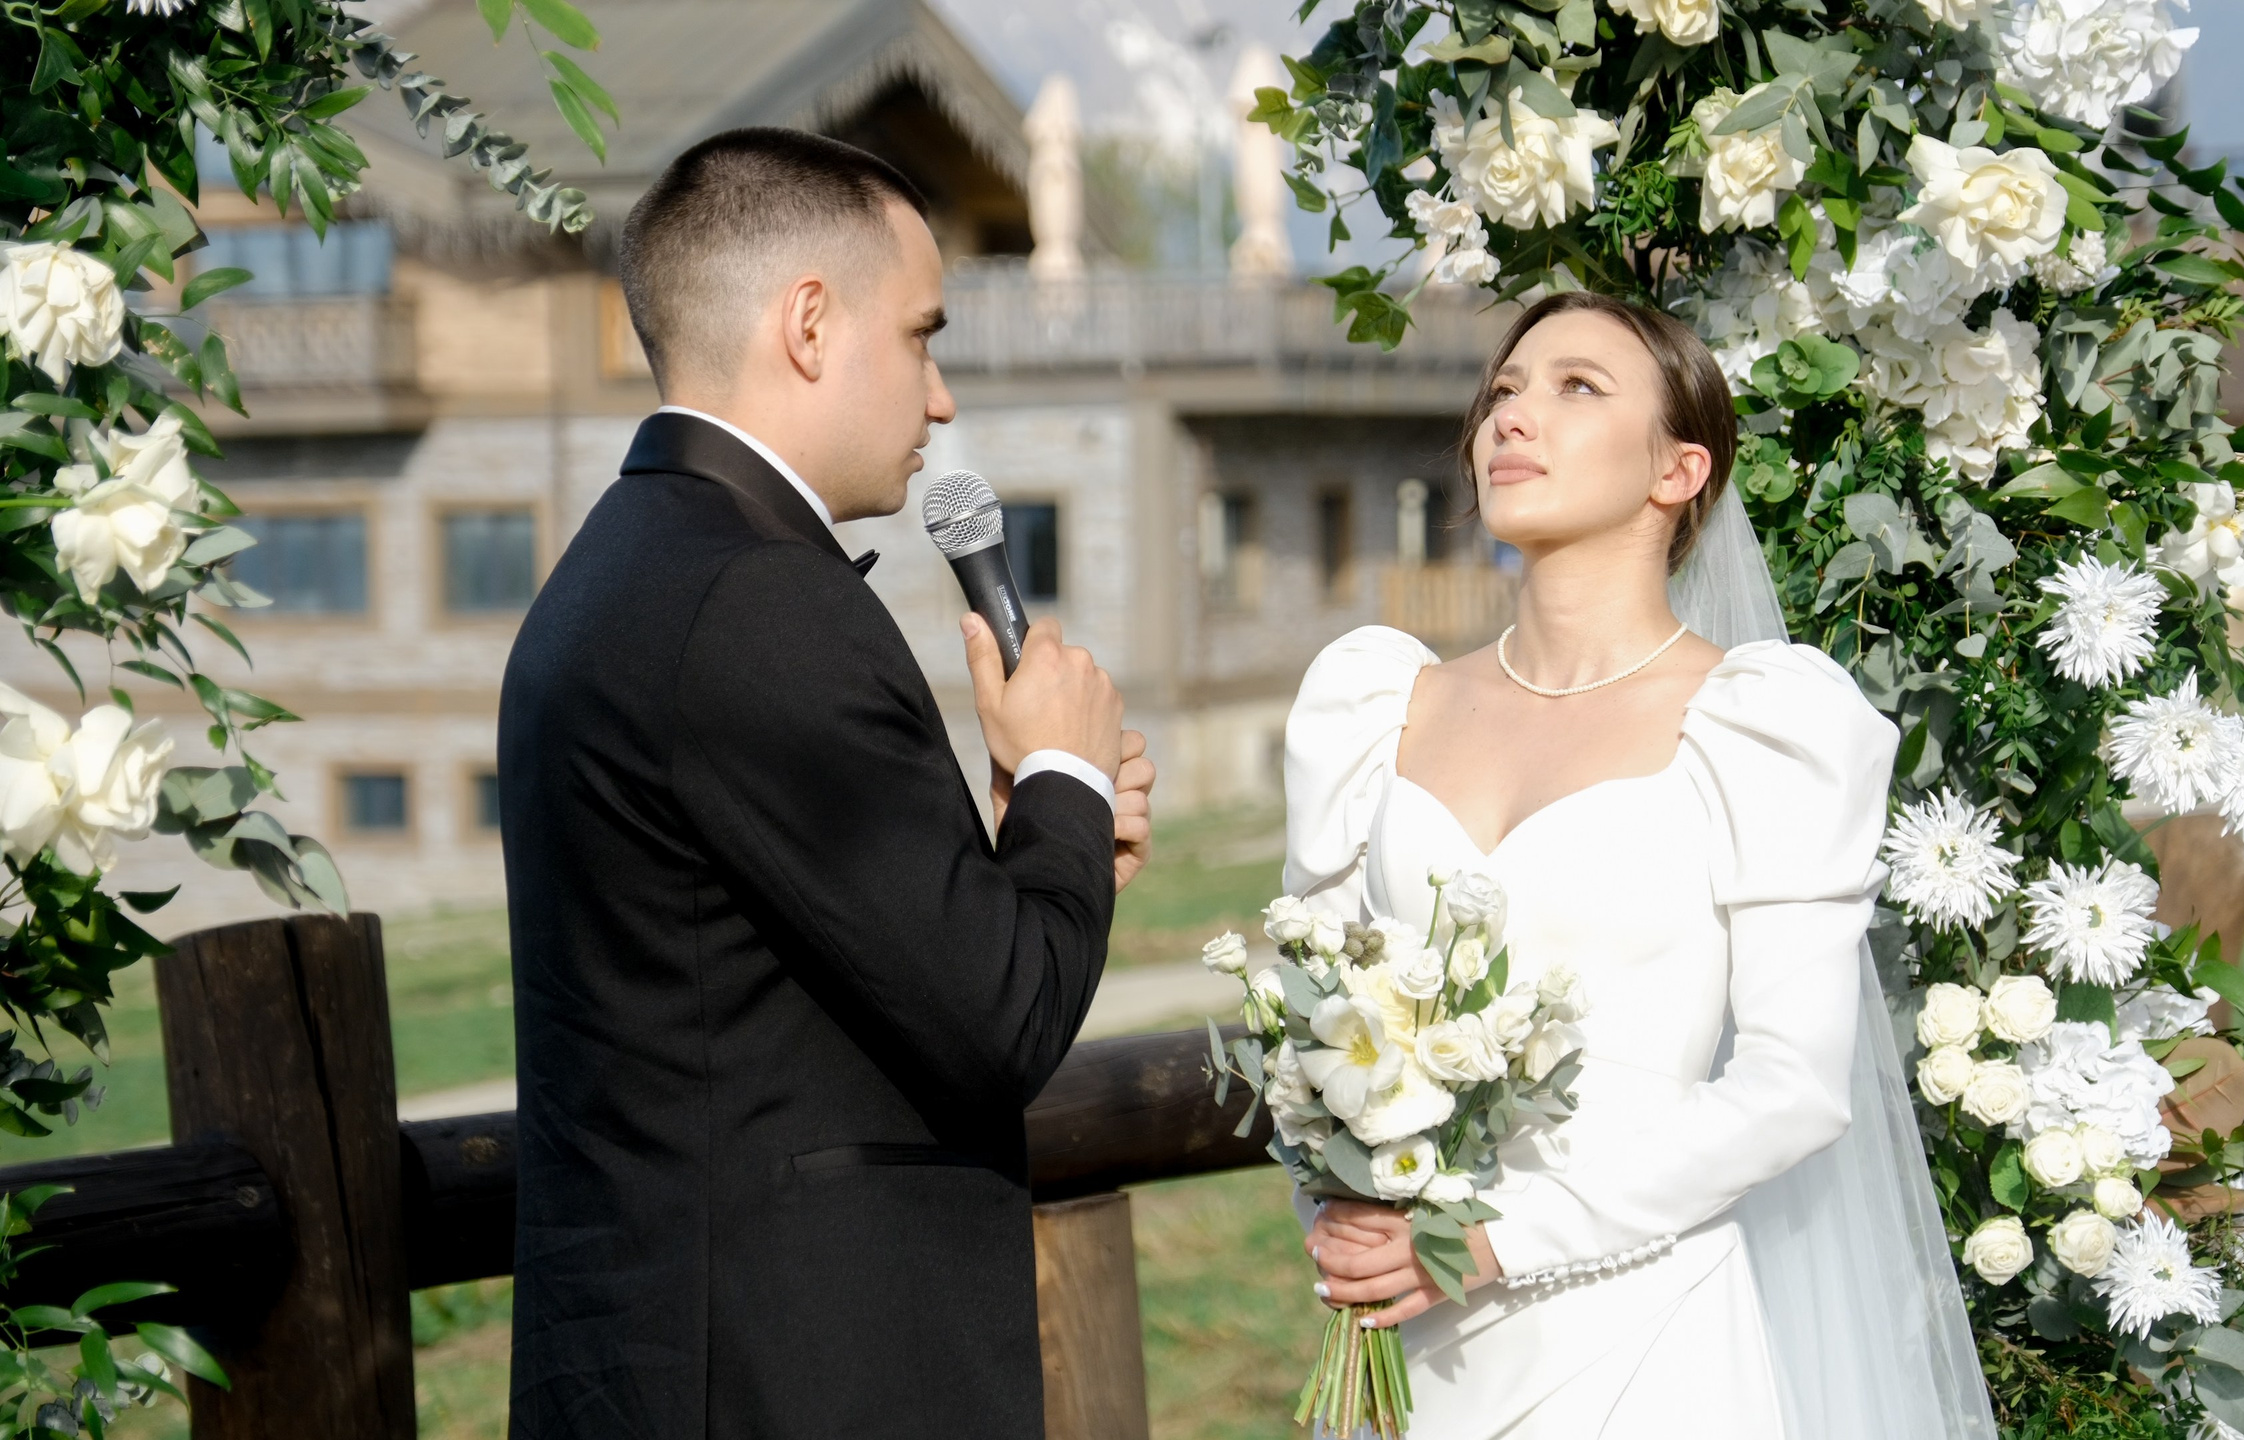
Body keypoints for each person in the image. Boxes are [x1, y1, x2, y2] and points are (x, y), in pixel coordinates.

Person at [498, 128, 1152, 1439]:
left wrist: (1045, 830)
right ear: (809, 322)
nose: (942, 396)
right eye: (922, 335)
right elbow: (999, 1022)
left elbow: (824, 968)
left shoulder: (619, 565)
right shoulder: (759, 601)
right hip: (785, 1376)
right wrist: (1070, 764)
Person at [1281, 292, 1997, 1437]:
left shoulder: (1763, 724)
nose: (1513, 417)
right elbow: (1304, 1024)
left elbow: (1792, 1090)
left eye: (1577, 388)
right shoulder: (1375, 705)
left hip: (1641, 1339)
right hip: (1411, 1348)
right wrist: (1342, 1203)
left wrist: (1499, 1242)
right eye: (1502, 392)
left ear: (1678, 470)